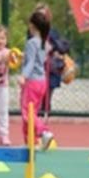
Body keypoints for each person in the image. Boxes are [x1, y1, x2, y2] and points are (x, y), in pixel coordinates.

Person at [19, 12, 55, 150]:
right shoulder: (45, 43)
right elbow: (39, 59)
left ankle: (44, 131)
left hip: (32, 81)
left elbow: (31, 62)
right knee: (32, 111)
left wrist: (23, 76)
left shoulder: (31, 42)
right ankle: (30, 142)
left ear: (32, 25)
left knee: (27, 112)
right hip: (42, 82)